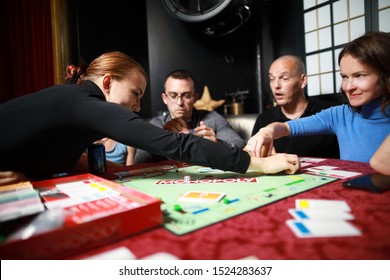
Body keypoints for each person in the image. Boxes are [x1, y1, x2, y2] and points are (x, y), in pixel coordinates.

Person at [0, 51, 300, 186]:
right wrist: (256, 164)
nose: (135, 106)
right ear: (107, 83)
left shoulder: (71, 100)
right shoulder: (85, 103)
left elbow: (59, 152)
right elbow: (176, 145)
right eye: (135, 93)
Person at [246, 32, 390, 163]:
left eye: (359, 75)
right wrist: (267, 131)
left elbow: (379, 165)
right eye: (344, 77)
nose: (348, 86)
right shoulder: (340, 115)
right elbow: (286, 128)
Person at [132, 69, 246, 163]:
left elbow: (239, 144)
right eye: (173, 95)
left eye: (186, 95)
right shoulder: (155, 125)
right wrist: (163, 140)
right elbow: (139, 162)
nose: (180, 102)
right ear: (164, 98)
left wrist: (217, 144)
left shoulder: (211, 118)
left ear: (195, 98)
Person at [251, 55, 340, 158]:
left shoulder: (330, 113)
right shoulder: (264, 119)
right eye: (271, 79)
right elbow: (254, 158)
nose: (276, 85)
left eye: (284, 78)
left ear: (303, 80)